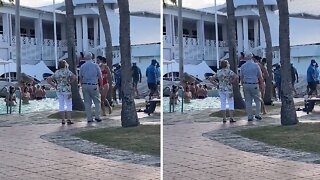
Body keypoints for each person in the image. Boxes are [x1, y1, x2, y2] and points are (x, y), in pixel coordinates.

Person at [47, 60, 77, 125]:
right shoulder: (67, 71)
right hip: (67, 89)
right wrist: (70, 82)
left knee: (61, 104)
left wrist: (54, 85)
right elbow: (74, 77)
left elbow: (49, 80)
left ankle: (63, 120)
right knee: (69, 104)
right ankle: (69, 119)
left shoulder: (57, 72)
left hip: (59, 89)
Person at [79, 52, 103, 123]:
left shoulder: (82, 66)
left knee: (87, 102)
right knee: (97, 101)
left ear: (86, 58)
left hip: (85, 85)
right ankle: (97, 116)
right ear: (92, 57)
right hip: (93, 84)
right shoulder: (95, 66)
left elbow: (80, 77)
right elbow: (100, 76)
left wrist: (81, 85)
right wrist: (101, 85)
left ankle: (89, 118)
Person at [240, 52, 264, 121]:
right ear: (252, 57)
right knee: (257, 100)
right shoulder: (256, 65)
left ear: (246, 57)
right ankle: (257, 114)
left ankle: (250, 116)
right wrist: (262, 85)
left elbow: (241, 76)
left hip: (246, 84)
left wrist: (242, 83)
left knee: (248, 101)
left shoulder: (243, 66)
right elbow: (260, 76)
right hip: (254, 84)